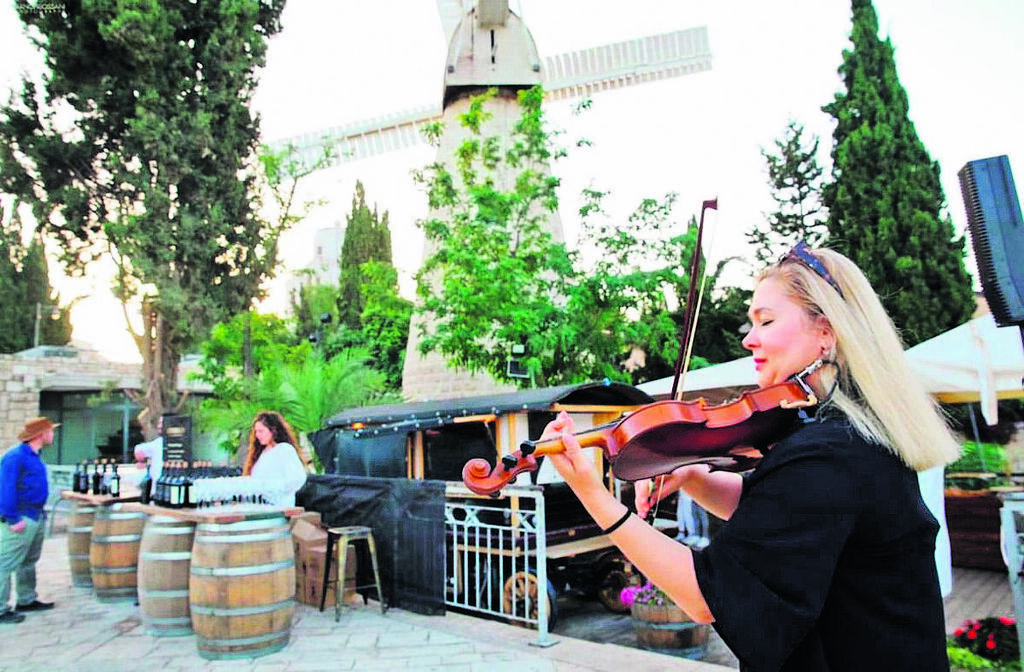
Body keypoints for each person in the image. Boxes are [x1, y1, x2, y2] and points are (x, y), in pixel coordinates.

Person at [542, 243, 958, 671]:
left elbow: (706, 596)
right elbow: (786, 519)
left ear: (826, 332)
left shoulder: (829, 455)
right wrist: (695, 475)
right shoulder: (852, 432)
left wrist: (593, 495)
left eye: (767, 321)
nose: (748, 338)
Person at [0, 417, 59, 624]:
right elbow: (5, 489)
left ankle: (26, 599)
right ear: (40, 434)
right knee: (5, 563)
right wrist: (12, 518)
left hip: (35, 515)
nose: (53, 434)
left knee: (28, 561)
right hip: (21, 517)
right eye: (50, 431)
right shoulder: (15, 457)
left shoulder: (35, 456)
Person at [243, 411, 308, 507]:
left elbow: (298, 478)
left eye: (261, 431)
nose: (257, 435)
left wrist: (274, 487)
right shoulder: (261, 454)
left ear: (273, 431)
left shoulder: (284, 449)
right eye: (256, 431)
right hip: (260, 506)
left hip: (279, 506)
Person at [133, 413, 165, 497]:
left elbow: (138, 452)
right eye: (159, 423)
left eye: (161, 423)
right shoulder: (157, 443)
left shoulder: (158, 443)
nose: (159, 426)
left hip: (157, 492)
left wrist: (144, 461)